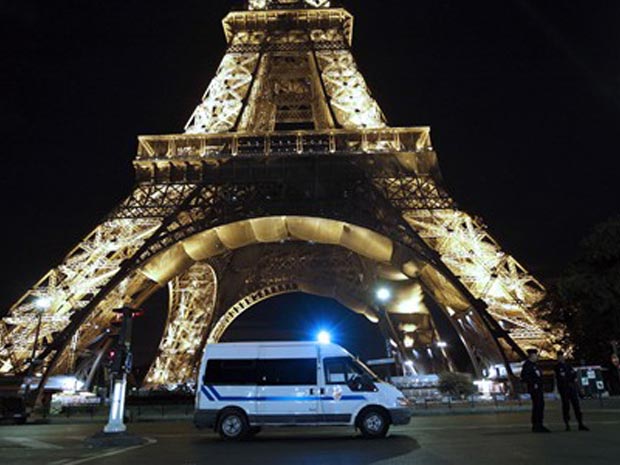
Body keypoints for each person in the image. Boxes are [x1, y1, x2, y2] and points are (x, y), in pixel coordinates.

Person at [554, 351, 589, 431]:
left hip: (571, 388)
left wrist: (578, 388)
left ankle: (580, 423)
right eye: (559, 357)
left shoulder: (568, 366)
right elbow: (559, 378)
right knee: (566, 406)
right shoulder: (557, 367)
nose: (561, 359)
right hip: (564, 388)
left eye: (562, 357)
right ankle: (567, 424)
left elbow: (574, 377)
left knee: (576, 405)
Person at [521, 348, 550, 433]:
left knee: (540, 406)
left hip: (538, 388)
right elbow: (524, 377)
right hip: (534, 389)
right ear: (532, 356)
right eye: (535, 355)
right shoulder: (527, 365)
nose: (537, 357)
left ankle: (539, 424)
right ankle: (537, 425)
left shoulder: (535, 365)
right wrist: (533, 383)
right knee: (537, 406)